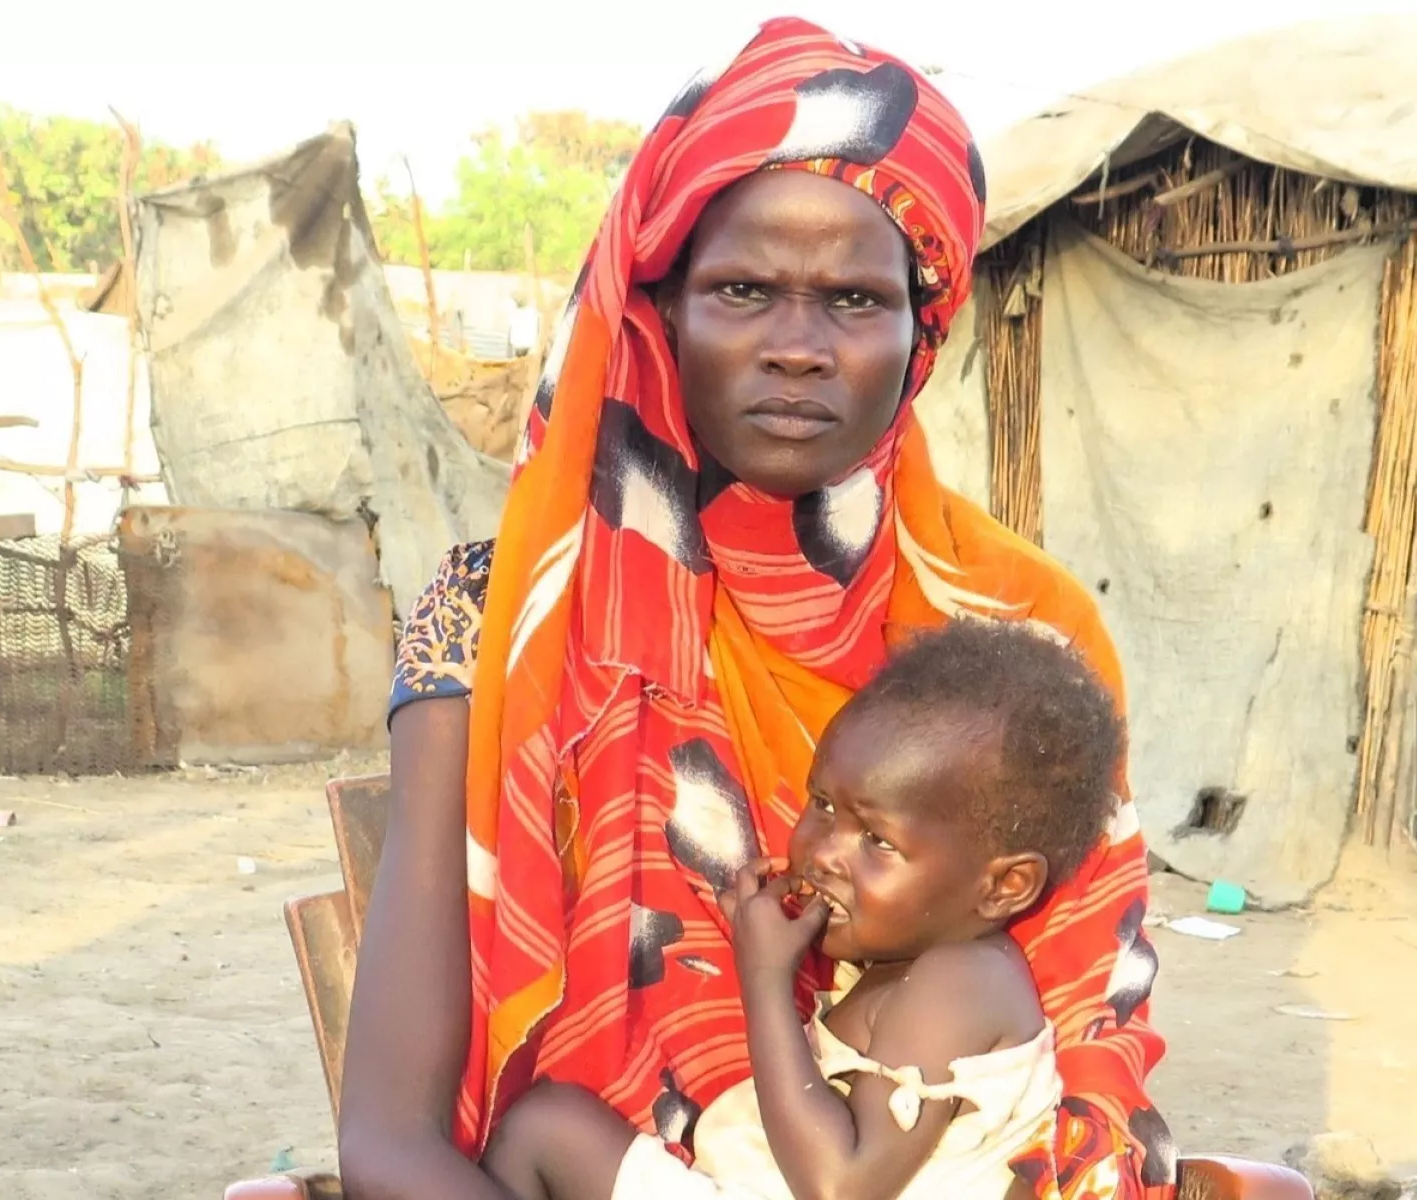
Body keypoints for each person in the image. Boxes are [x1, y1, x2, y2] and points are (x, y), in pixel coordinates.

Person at [337, 17, 1175, 1200]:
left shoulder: (1018, 640)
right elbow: (389, 1139)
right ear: (661, 309)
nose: (798, 348)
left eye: (853, 299)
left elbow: (1087, 1049)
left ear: (919, 333)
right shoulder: (507, 614)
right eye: (741, 289)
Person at [478, 620, 1126, 1200]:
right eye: (821, 805)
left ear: (1004, 886)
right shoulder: (915, 963)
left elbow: (840, 1186)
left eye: (877, 840)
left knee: (546, 1132)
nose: (824, 854)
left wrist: (764, 980)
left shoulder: (960, 981)